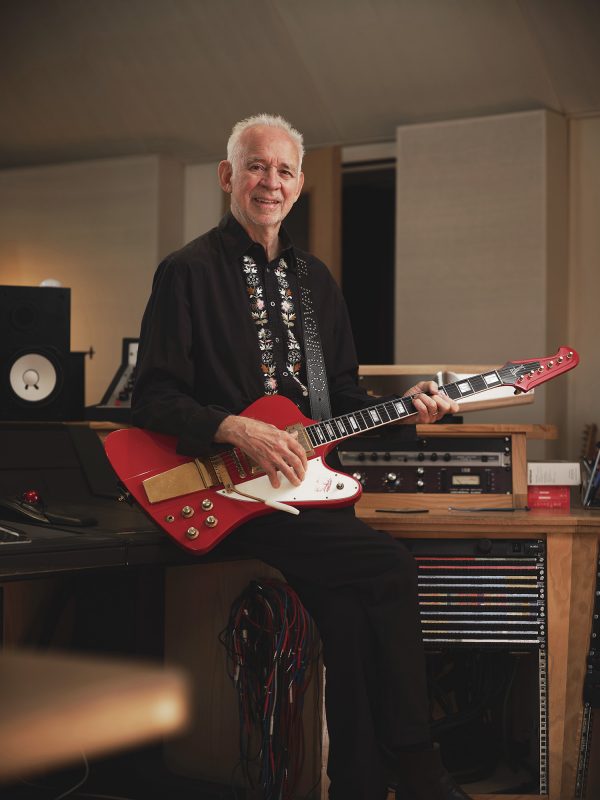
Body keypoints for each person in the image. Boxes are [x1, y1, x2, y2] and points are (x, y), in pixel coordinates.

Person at [131, 113, 470, 800]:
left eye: (284, 170)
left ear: (301, 183)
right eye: (257, 166)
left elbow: (340, 399)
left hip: (307, 492)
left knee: (346, 620)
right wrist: (234, 428)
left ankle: (358, 783)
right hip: (232, 496)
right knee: (390, 567)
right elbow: (153, 398)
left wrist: (407, 408)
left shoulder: (316, 281)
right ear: (228, 176)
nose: (271, 182)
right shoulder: (186, 271)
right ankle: (418, 764)